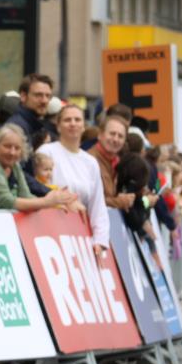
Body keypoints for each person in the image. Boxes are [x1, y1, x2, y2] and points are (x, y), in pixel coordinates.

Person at [37, 103, 110, 257]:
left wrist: (100, 240)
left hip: (80, 236)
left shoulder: (90, 162)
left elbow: (98, 205)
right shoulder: (46, 151)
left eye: (77, 120)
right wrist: (64, 199)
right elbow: (38, 187)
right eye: (67, 120)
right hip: (50, 230)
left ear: (84, 126)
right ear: (58, 126)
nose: (72, 123)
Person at [8, 73, 57, 196]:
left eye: (48, 96)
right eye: (38, 95)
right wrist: (50, 193)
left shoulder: (30, 126)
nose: (44, 100)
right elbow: (16, 173)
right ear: (23, 96)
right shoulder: (17, 128)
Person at [87, 114, 132, 210]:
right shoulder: (88, 161)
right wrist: (119, 202)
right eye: (112, 134)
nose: (115, 139)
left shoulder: (119, 163)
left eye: (120, 136)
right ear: (100, 135)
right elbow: (87, 199)